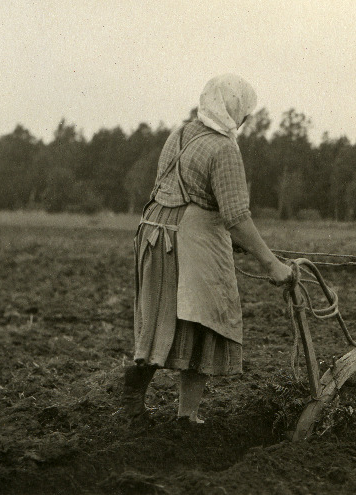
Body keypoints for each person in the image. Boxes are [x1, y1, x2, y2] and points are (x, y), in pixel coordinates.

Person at [121, 74, 292, 424]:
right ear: (234, 111)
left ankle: (134, 392)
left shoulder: (182, 132)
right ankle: (188, 415)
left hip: (154, 235)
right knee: (203, 321)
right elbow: (237, 217)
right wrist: (271, 264)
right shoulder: (224, 148)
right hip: (189, 239)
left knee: (161, 319)